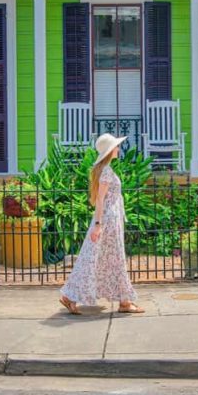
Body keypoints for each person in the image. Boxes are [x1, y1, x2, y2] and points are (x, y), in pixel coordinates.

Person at [59, 133, 145, 316]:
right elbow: (99, 199)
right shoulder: (105, 171)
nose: (118, 149)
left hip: (110, 219)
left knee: (99, 259)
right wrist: (98, 224)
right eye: (116, 146)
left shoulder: (104, 169)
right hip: (108, 221)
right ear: (109, 151)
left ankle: (122, 300)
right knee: (106, 259)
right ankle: (124, 301)